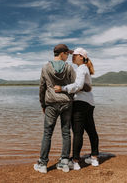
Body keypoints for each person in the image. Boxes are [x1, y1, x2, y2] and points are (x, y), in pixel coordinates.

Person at [54, 47, 99, 171]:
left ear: (81, 57)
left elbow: (78, 86)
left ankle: (75, 161)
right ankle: (94, 157)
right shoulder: (85, 69)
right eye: (71, 55)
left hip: (79, 103)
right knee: (91, 130)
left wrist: (62, 88)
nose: (72, 57)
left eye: (75, 55)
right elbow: (85, 86)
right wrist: (70, 51)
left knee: (78, 133)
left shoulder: (81, 68)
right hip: (89, 103)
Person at [34, 44, 75, 174]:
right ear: (62, 53)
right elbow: (74, 85)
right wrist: (70, 97)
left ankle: (43, 164)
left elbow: (42, 87)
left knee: (47, 133)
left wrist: (42, 104)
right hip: (66, 103)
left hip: (51, 103)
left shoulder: (45, 67)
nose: (68, 56)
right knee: (66, 132)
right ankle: (64, 162)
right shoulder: (69, 67)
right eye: (67, 54)